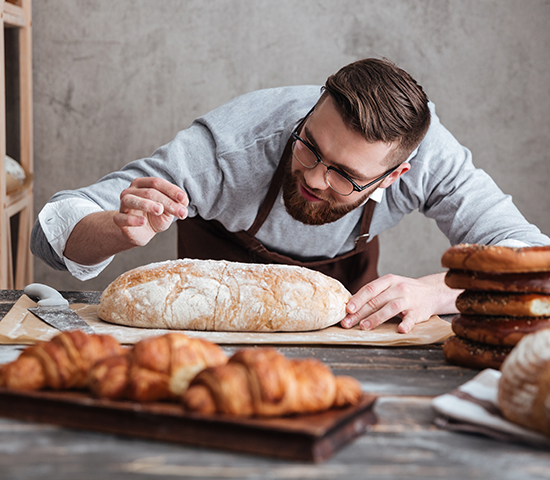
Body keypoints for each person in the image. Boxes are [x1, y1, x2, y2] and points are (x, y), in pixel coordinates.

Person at [31, 57, 550, 334]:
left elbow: (534, 259)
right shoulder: (231, 147)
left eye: (346, 174)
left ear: (396, 176)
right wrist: (118, 230)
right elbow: (51, 232)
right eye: (310, 147)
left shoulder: (434, 157)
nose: (317, 178)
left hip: (353, 335)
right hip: (213, 336)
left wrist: (438, 293)